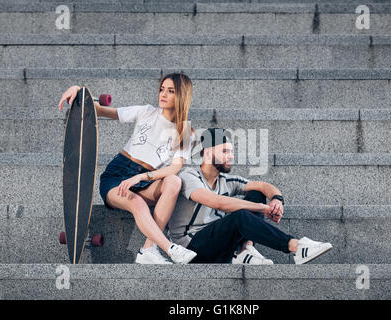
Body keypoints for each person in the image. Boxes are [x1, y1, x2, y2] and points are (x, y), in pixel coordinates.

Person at [58, 72, 198, 264]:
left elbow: (175, 168)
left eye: (170, 91)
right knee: (137, 203)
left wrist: (142, 177)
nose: (163, 94)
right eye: (162, 89)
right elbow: (101, 110)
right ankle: (169, 248)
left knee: (174, 181)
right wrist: (79, 91)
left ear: (182, 95)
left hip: (145, 179)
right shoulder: (147, 112)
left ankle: (148, 250)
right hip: (117, 175)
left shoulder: (185, 131)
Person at [167, 128, 333, 264]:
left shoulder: (226, 180)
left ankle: (244, 251)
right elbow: (217, 202)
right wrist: (262, 208)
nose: (231, 156)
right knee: (240, 216)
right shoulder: (189, 176)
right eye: (225, 151)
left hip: (219, 245)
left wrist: (276, 199)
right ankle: (296, 247)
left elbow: (262, 186)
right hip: (191, 249)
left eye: (231, 151)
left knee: (256, 194)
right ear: (209, 153)